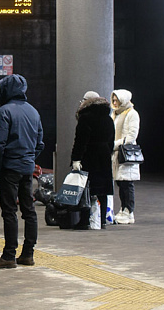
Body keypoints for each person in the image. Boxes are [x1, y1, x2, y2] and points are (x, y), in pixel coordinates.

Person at [0, 74, 44, 269]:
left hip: (9, 168)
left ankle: (9, 255)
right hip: (27, 168)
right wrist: (29, 158)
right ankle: (28, 253)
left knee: (9, 211)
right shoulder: (34, 112)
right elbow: (40, 143)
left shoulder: (4, 111)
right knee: (29, 211)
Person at [70, 91, 115, 229]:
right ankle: (101, 221)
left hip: (89, 156)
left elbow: (80, 141)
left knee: (86, 189)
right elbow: (111, 140)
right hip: (104, 155)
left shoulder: (85, 118)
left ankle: (85, 220)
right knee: (103, 189)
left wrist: (76, 159)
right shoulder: (108, 118)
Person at [111, 89, 141, 225]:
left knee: (127, 183)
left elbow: (131, 136)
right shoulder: (115, 114)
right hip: (117, 154)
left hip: (125, 154)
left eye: (117, 100)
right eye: (113, 100)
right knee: (121, 183)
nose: (115, 103)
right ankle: (123, 209)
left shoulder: (132, 114)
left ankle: (129, 211)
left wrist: (114, 144)